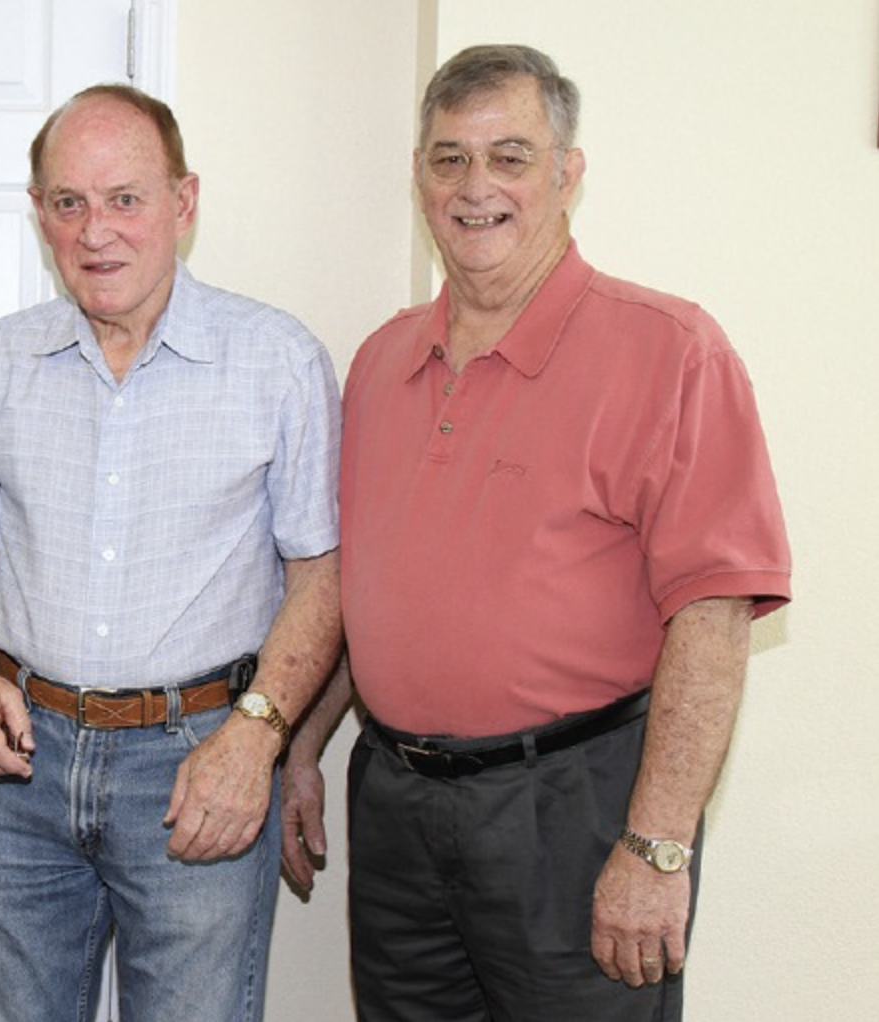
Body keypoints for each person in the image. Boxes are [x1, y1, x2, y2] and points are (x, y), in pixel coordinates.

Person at [284, 44, 793, 1020]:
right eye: (449, 159)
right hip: (394, 806)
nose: (475, 187)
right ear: (419, 179)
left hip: (571, 808)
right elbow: (359, 593)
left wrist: (657, 846)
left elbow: (714, 617)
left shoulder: (671, 351)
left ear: (567, 174)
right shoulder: (382, 361)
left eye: (509, 156)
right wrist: (301, 746)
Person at [0, 84, 343, 1022]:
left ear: (183, 203)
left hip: (201, 760)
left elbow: (323, 576)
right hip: (20, 767)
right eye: (69, 202)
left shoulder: (278, 361)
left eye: (125, 199)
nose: (95, 231)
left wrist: (257, 738)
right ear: (39, 213)